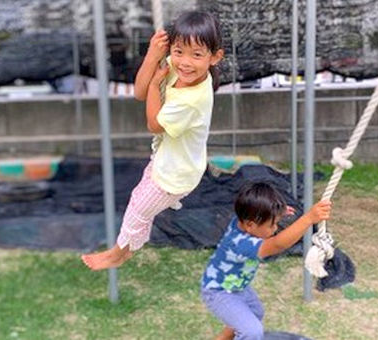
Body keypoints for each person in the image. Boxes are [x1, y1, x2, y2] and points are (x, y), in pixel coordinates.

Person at [82, 11, 224, 270]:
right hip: (165, 161)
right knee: (139, 201)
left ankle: (119, 252)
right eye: (178, 51)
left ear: (215, 57)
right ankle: (130, 244)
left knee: (139, 209)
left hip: (176, 175)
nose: (184, 62)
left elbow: (154, 124)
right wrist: (152, 55)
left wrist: (155, 85)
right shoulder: (178, 66)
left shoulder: (192, 100)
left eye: (197, 55)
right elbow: (138, 91)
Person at [201, 182, 332, 340]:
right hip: (219, 292)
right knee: (252, 332)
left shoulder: (244, 219)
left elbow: (256, 209)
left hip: (235, 285)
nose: (275, 228)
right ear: (250, 225)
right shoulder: (240, 244)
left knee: (255, 312)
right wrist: (308, 219)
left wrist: (278, 212)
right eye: (272, 224)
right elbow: (278, 244)